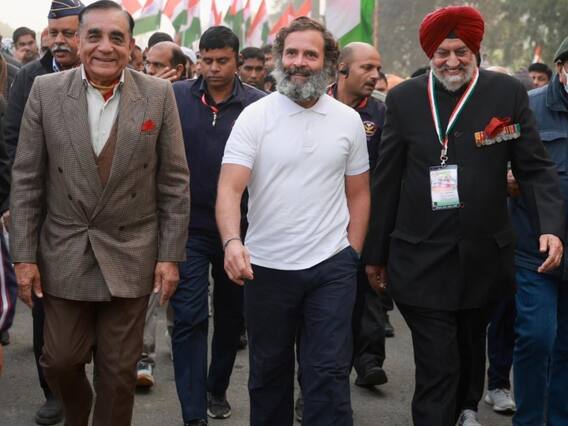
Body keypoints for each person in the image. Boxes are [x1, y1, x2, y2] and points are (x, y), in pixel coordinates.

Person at [363, 6, 564, 426]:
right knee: (438, 366)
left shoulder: (505, 94)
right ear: (430, 54)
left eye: (461, 52)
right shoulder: (404, 99)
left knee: (468, 357)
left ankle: (464, 407)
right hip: (420, 259)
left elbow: (534, 168)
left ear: (476, 51)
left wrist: (550, 227)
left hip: (484, 261)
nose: (451, 61)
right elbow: (387, 180)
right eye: (442, 53)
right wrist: (375, 254)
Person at [10, 2, 190, 425]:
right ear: (78, 40)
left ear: (130, 45)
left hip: (132, 249)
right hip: (65, 250)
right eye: (94, 36)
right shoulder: (46, 91)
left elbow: (174, 182)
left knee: (119, 373)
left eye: (116, 38)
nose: (105, 47)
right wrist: (24, 257)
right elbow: (27, 179)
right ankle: (77, 414)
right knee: (59, 360)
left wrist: (170, 257)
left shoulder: (158, 94)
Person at [217, 17, 370, 426]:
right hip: (266, 268)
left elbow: (359, 193)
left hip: (331, 268)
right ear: (279, 58)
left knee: (328, 374)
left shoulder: (348, 121)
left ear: (328, 63)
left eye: (309, 54)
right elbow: (230, 188)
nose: (299, 62)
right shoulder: (254, 117)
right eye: (291, 53)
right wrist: (232, 242)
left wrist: (352, 254)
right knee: (269, 374)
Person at [170, 26, 264, 426]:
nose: (213, 68)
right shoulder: (176, 97)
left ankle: (216, 387)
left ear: (237, 61)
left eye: (222, 61)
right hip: (187, 228)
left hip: (240, 232)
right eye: (206, 60)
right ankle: (193, 413)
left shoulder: (259, 106)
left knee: (230, 318)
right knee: (189, 318)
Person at [4, 2, 84, 423]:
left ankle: (87, 384)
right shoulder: (30, 77)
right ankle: (52, 390)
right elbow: (12, 144)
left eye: (69, 33)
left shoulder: (110, 75)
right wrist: (12, 206)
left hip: (98, 216)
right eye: (54, 33)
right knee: (43, 303)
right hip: (45, 213)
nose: (59, 41)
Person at [510, 36, 568, 426]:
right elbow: (489, 149)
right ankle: (529, 419)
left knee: (565, 347)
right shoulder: (527, 108)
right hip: (534, 248)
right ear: (561, 68)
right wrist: (504, 175)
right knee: (537, 336)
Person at [331, 41, 389, 387]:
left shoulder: (382, 114)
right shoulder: (315, 104)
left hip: (367, 218)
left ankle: (368, 361)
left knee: (369, 292)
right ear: (342, 68)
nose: (375, 76)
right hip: (321, 220)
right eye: (367, 67)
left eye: (377, 69)